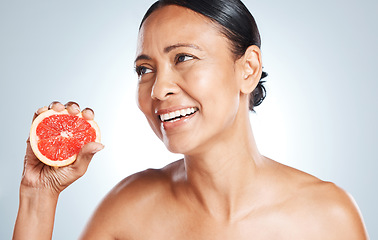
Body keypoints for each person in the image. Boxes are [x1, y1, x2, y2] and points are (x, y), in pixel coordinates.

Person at [13, 0, 368, 239]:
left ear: (248, 69)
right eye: (144, 69)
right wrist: (38, 197)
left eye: (183, 57)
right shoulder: (128, 211)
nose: (158, 89)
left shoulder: (328, 218)